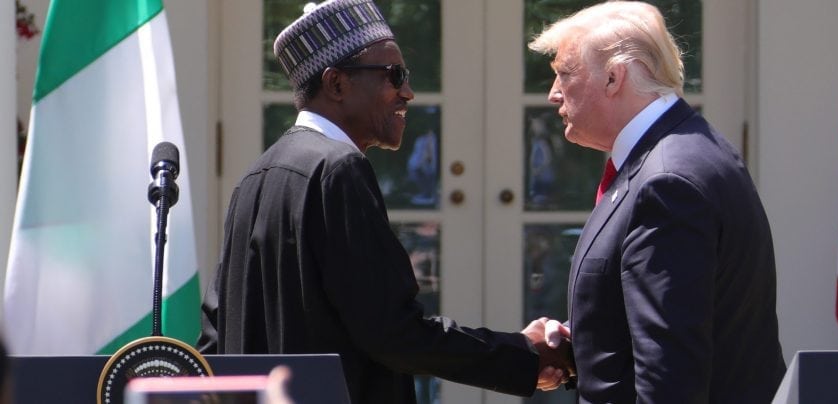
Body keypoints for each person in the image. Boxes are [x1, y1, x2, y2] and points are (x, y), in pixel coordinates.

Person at [197, 1, 569, 402]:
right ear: (337, 84)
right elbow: (393, 331)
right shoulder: (338, 168)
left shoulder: (255, 176)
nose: (407, 92)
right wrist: (520, 354)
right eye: (394, 75)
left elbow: (216, 335)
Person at [529, 2, 787, 402]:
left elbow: (670, 376)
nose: (553, 93)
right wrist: (587, 340)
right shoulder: (681, 151)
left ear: (613, 77)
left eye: (564, 73)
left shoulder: (667, 182)